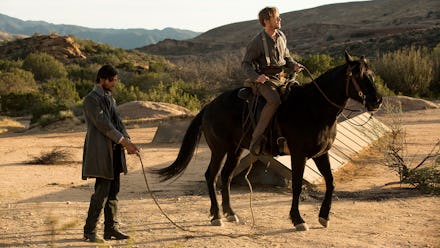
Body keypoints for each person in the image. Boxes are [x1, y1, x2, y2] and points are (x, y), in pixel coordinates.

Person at [82, 65, 139, 243]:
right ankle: (89, 231)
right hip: (101, 151)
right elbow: (103, 124)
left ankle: (110, 228)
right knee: (101, 192)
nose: (115, 83)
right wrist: (124, 142)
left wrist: (128, 141)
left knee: (114, 191)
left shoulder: (109, 98)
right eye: (113, 80)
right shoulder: (91, 100)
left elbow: (118, 122)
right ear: (103, 79)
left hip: (115, 151)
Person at [242, 6, 303, 156]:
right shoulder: (256, 42)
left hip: (282, 78)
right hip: (265, 81)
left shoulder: (281, 36)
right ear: (266, 21)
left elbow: (287, 58)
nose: (280, 19)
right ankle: (255, 141)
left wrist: (293, 65)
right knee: (274, 101)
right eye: (277, 17)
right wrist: (257, 77)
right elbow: (246, 64)